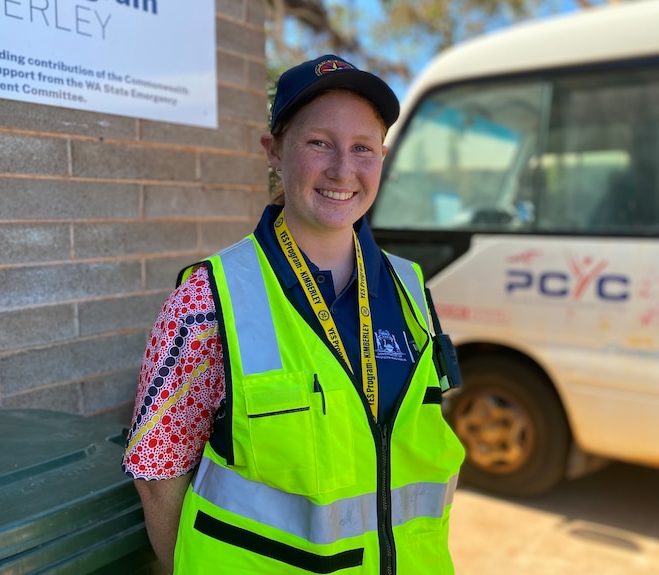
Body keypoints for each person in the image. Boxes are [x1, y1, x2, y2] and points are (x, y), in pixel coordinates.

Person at [122, 54, 465, 574]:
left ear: (383, 158)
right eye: (318, 143)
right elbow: (156, 471)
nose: (342, 169)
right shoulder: (207, 300)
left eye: (363, 148)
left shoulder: (412, 289)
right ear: (274, 152)